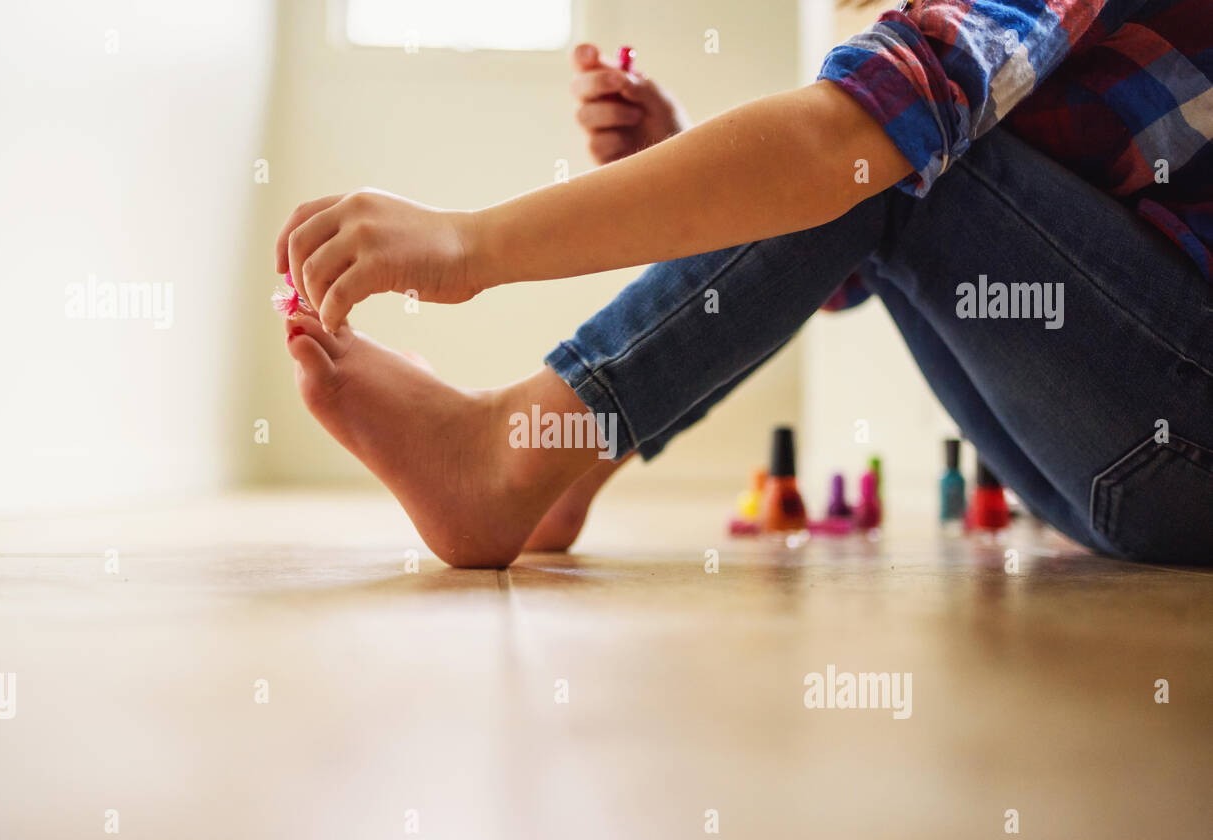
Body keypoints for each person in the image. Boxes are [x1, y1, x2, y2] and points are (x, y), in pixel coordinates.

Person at [273, 0, 1213, 568]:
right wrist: (686, 161)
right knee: (879, 157)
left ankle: (511, 454)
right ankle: (559, 462)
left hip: (1184, 444)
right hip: (1130, 466)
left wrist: (467, 242)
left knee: (877, 150)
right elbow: (847, 247)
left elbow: (844, 152)